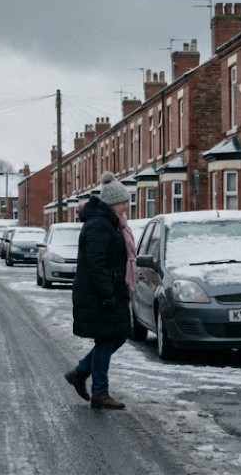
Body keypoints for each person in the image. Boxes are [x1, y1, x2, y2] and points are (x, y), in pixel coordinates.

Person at [64, 172, 135, 409]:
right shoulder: (99, 225)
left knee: (116, 336)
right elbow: (96, 264)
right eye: (123, 202)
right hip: (99, 294)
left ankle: (80, 372)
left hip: (108, 291)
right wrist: (107, 295)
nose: (126, 206)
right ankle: (99, 392)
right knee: (107, 339)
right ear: (113, 203)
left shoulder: (110, 223)